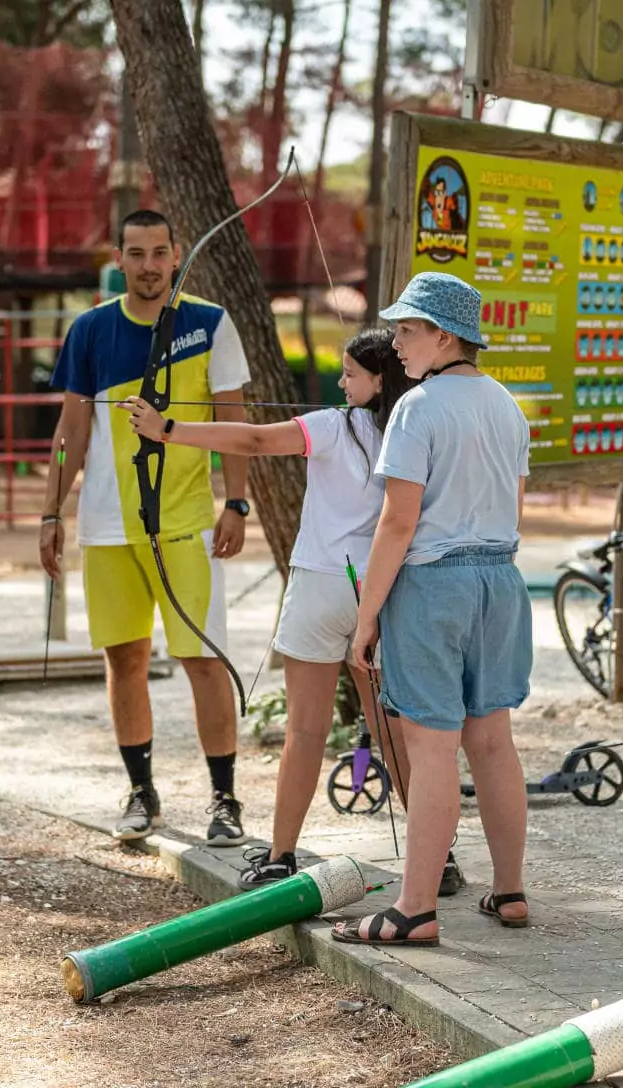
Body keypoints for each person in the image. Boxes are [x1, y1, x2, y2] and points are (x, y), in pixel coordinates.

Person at [119, 329, 464, 894]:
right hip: (380, 593)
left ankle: (280, 857)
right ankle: (439, 859)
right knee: (396, 730)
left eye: (351, 374)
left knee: (305, 729)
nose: (340, 381)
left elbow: (253, 440)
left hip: (321, 590)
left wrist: (168, 430)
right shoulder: (416, 427)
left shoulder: (331, 426)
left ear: (379, 380)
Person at [330, 271, 533, 948]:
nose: (397, 342)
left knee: (432, 746)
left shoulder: (418, 408)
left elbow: (397, 523)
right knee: (494, 741)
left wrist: (367, 619)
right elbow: (515, 506)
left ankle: (414, 908)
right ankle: (509, 890)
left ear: (444, 335)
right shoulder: (508, 405)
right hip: (501, 581)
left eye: (408, 329)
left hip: (434, 582)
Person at [41, 209, 252, 848]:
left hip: (184, 524)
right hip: (107, 528)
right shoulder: (90, 329)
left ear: (176, 253)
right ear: (119, 257)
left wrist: (236, 503)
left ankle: (225, 799)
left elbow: (234, 417)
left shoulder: (210, 322)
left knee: (202, 659)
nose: (150, 265)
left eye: (160, 252)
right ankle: (142, 792)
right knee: (124, 659)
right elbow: (70, 432)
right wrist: (51, 512)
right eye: (137, 253)